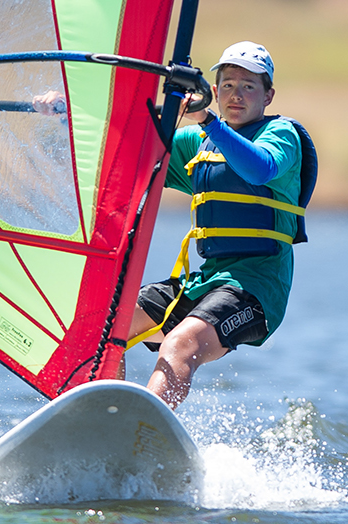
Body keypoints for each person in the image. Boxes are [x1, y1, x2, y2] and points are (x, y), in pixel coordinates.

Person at [33, 41, 313, 409]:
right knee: (105, 324)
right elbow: (120, 144)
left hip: (257, 290)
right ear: (214, 91)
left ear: (268, 95)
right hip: (205, 282)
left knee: (180, 344)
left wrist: (207, 120)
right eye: (228, 85)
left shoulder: (280, 136)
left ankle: (141, 432)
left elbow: (259, 169)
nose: (236, 95)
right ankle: (101, 418)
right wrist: (69, 116)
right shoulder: (196, 142)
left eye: (249, 86)